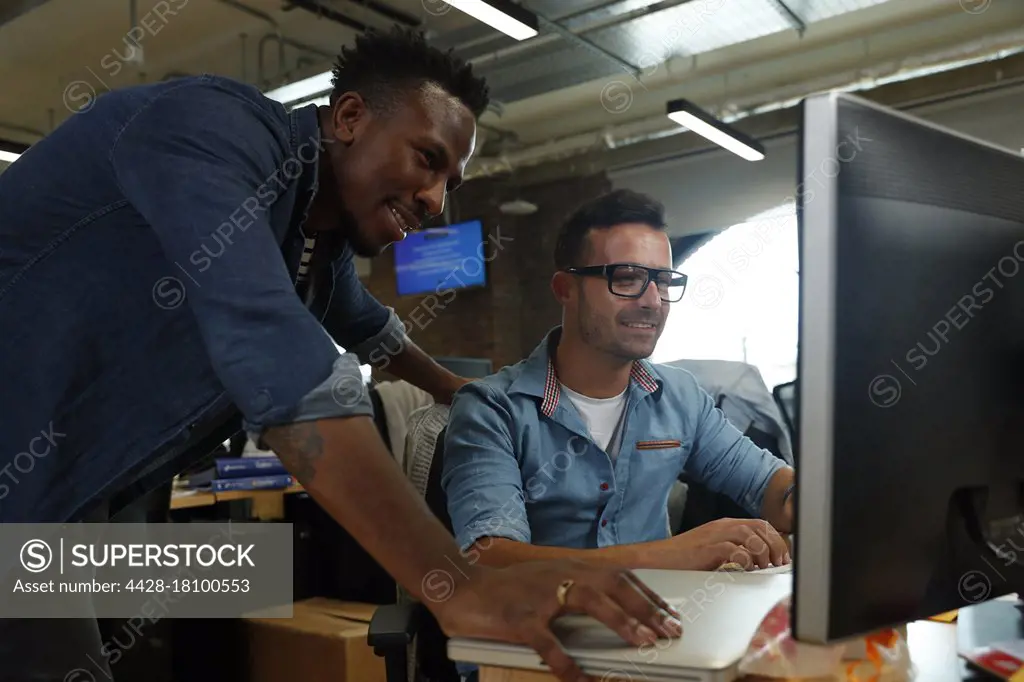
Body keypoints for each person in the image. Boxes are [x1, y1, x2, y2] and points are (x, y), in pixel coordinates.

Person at [0, 28, 681, 682]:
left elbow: (371, 329)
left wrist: (475, 396)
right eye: (427, 159)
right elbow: (270, 344)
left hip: (58, 489)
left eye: (453, 182)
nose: (437, 202)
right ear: (350, 116)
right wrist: (457, 587)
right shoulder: (208, 131)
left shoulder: (312, 238)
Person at [442, 189, 796, 573]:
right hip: (545, 627)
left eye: (662, 281)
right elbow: (491, 558)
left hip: (664, 623)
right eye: (627, 279)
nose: (653, 301)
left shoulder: (679, 397)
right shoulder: (492, 409)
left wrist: (833, 499)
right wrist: (671, 555)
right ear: (566, 290)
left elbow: (770, 487)